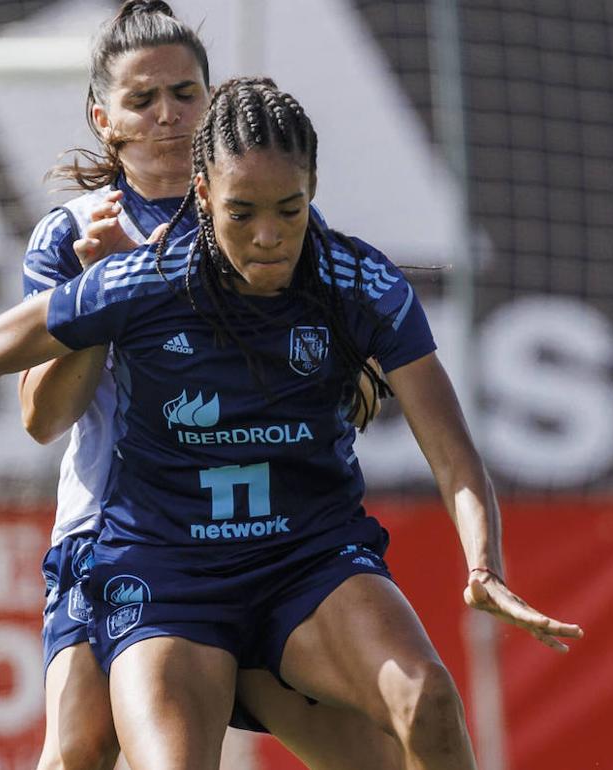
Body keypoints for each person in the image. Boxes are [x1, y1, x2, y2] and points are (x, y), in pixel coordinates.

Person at [0, 76, 583, 770]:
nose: (270, 236)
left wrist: (484, 564)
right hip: (167, 575)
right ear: (204, 195)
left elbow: (453, 453)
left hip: (308, 566)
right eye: (242, 212)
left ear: (313, 191)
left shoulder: (359, 283)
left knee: (428, 700)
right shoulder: (143, 280)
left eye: (290, 208)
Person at [26, 2, 395, 768]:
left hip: (269, 538)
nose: (169, 114)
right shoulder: (72, 236)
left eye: (186, 93)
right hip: (118, 534)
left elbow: (353, 391)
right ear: (106, 119)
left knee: (379, 754)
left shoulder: (261, 223)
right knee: (77, 749)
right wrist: (105, 297)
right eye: (142, 99)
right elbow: (40, 415)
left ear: (213, 97)